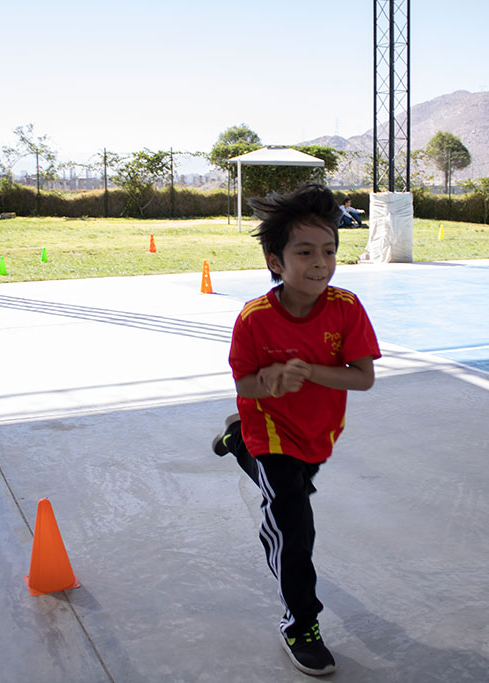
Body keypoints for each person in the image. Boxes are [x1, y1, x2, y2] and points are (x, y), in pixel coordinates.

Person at [212, 183, 380, 676]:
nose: (320, 263)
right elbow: (244, 383)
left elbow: (363, 377)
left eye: (329, 251)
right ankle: (300, 624)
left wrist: (307, 373)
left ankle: (235, 441)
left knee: (297, 488)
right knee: (292, 526)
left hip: (318, 433)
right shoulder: (255, 320)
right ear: (276, 261)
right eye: (304, 252)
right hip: (270, 429)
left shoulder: (346, 308)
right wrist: (269, 382)